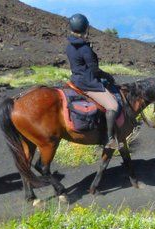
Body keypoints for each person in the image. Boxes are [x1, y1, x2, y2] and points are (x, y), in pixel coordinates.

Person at [66, 13, 120, 149]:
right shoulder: (85, 49)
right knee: (113, 106)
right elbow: (95, 70)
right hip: (88, 84)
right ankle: (109, 139)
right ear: (85, 29)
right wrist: (107, 75)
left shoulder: (70, 45)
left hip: (75, 80)